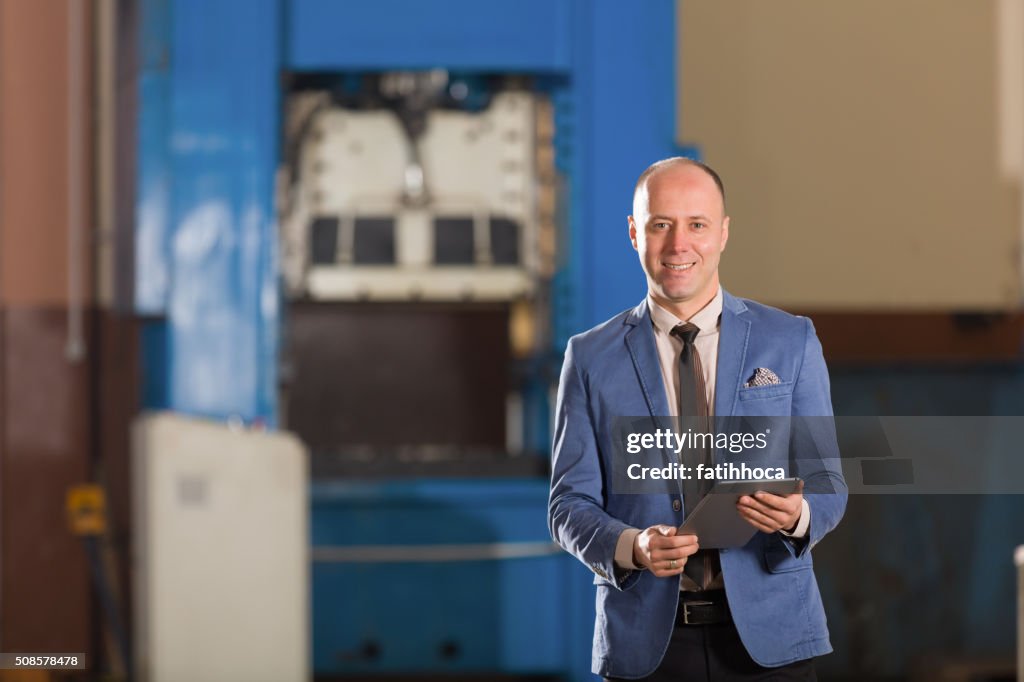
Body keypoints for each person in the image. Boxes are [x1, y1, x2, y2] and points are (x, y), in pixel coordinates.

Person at [548, 157, 847, 681]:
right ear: (634, 232)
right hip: (648, 645)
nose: (678, 244)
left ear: (724, 233)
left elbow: (828, 482)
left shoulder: (791, 341)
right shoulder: (590, 357)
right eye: (661, 224)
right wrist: (632, 547)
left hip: (772, 639)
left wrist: (797, 516)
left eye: (697, 224)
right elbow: (568, 505)